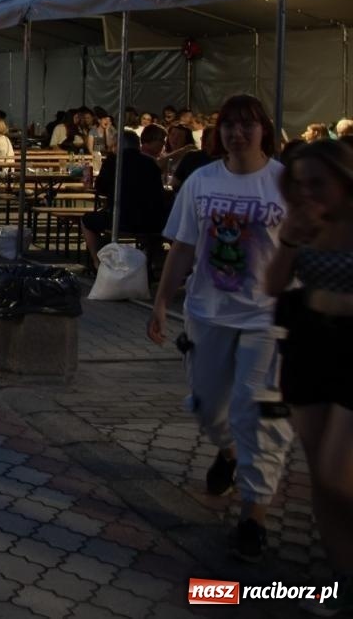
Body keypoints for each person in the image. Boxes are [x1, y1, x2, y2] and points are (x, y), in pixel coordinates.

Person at [148, 93, 292, 563]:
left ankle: (254, 514)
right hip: (207, 312)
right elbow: (183, 248)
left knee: (259, 413)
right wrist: (161, 300)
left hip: (267, 318)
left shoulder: (285, 184)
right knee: (206, 405)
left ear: (264, 130)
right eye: (229, 124)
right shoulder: (201, 181)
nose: (238, 132)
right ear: (218, 132)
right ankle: (227, 452)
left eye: (248, 124)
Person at [263, 139, 353, 591]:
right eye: (300, 185)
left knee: (340, 474)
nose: (309, 193)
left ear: (344, 180)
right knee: (320, 470)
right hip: (310, 344)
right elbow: (273, 285)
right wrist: (289, 241)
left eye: (319, 183)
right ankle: (342, 576)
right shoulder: (301, 223)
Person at [80, 130, 168, 264]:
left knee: (86, 220)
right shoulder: (150, 163)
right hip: (152, 221)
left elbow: (101, 187)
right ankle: (150, 261)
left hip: (121, 219)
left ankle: (97, 263)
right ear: (137, 145)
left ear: (118, 145)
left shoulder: (113, 161)